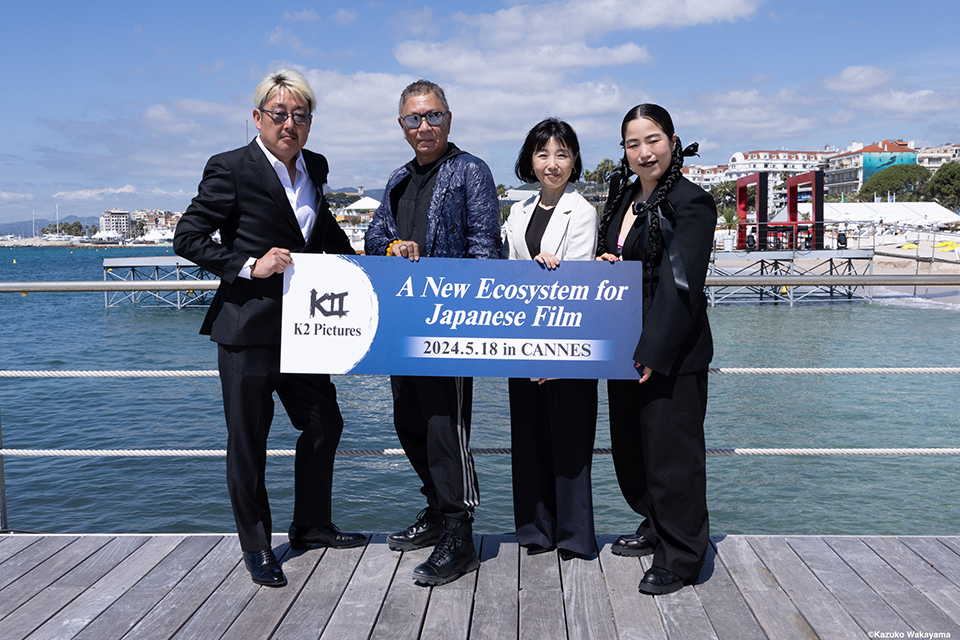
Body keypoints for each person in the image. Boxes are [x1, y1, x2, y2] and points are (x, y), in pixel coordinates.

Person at [174, 69, 366, 588]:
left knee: (325, 422)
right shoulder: (230, 167)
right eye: (279, 114)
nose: (290, 124)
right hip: (247, 328)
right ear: (258, 118)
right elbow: (187, 238)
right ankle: (257, 547)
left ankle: (311, 526)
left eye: (300, 115)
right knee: (248, 441)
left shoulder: (316, 168)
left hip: (307, 330)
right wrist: (248, 264)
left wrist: (376, 267)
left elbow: (322, 234)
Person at [364, 79, 502, 586]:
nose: (423, 127)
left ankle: (460, 533)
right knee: (409, 423)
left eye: (432, 116)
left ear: (449, 117)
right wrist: (392, 248)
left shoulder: (470, 171)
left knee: (448, 430)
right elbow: (375, 235)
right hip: (403, 326)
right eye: (413, 119)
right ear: (401, 126)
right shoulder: (399, 179)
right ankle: (437, 512)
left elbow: (486, 247)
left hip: (452, 325)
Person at [596, 104, 716, 595]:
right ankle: (655, 523)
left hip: (671, 349)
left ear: (672, 140)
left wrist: (654, 349)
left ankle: (683, 554)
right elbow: (623, 259)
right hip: (624, 343)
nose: (644, 152)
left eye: (653, 140)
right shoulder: (622, 195)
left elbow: (681, 285)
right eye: (632, 144)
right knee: (632, 451)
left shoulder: (692, 202)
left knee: (672, 455)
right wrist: (608, 261)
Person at [501, 118, 599, 560]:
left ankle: (575, 536)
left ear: (574, 159)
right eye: (543, 154)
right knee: (528, 437)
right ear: (531, 159)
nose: (552, 163)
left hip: (568, 344)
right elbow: (508, 273)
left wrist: (553, 355)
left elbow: (577, 280)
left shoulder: (583, 211)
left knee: (571, 439)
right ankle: (535, 531)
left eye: (562, 154)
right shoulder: (517, 211)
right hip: (524, 343)